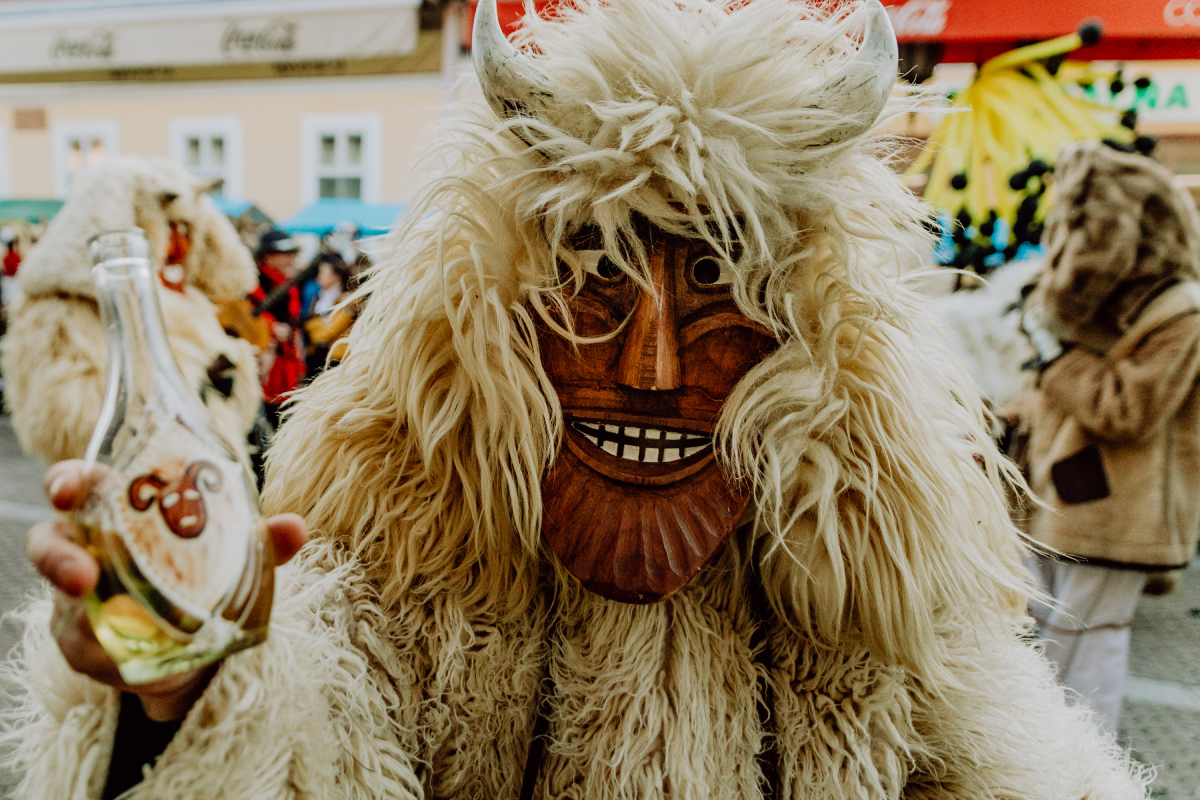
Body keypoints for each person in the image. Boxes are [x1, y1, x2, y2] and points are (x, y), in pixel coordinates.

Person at [4, 2, 1150, 798]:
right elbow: (295, 737)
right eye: (596, 275)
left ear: (810, 322)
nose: (651, 365)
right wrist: (192, 688)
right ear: (492, 307)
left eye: (714, 278)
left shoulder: (878, 598)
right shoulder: (404, 571)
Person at [1014, 139, 1200, 736]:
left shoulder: (1179, 313)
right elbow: (1047, 397)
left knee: (1086, 648)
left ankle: (1085, 770)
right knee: (1048, 636)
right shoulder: (1100, 301)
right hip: (1065, 497)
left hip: (1124, 513)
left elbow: (1125, 409)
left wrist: (1053, 355)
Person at [0, 157, 261, 465]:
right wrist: (196, 389)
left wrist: (233, 382)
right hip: (137, 495)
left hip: (215, 481)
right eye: (169, 228)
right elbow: (71, 427)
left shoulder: (190, 301)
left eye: (186, 229)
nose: (180, 246)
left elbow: (233, 418)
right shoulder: (65, 311)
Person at [252, 229, 306, 429]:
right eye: (285, 253)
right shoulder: (253, 280)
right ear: (268, 255)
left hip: (286, 363)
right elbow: (246, 313)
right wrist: (271, 326)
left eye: (292, 253)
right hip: (263, 360)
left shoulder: (289, 283)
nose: (291, 258)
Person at [301, 252, 354, 379]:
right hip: (316, 358)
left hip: (335, 360)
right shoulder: (319, 298)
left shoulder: (347, 300)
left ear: (336, 276)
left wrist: (311, 325)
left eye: (323, 273)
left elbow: (323, 334)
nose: (319, 277)